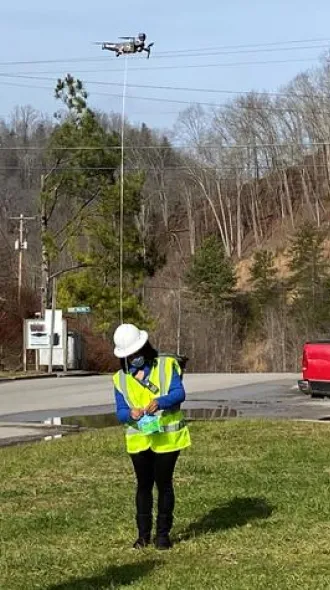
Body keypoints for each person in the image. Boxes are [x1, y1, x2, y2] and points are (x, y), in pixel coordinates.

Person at [112, 323, 191, 550]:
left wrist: (160, 402)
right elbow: (119, 411)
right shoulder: (120, 379)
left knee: (163, 484)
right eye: (129, 355)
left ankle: (163, 535)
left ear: (145, 348)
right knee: (143, 485)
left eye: (136, 353)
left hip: (167, 439)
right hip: (140, 439)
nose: (133, 358)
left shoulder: (166, 365)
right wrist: (130, 414)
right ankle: (143, 536)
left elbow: (179, 393)